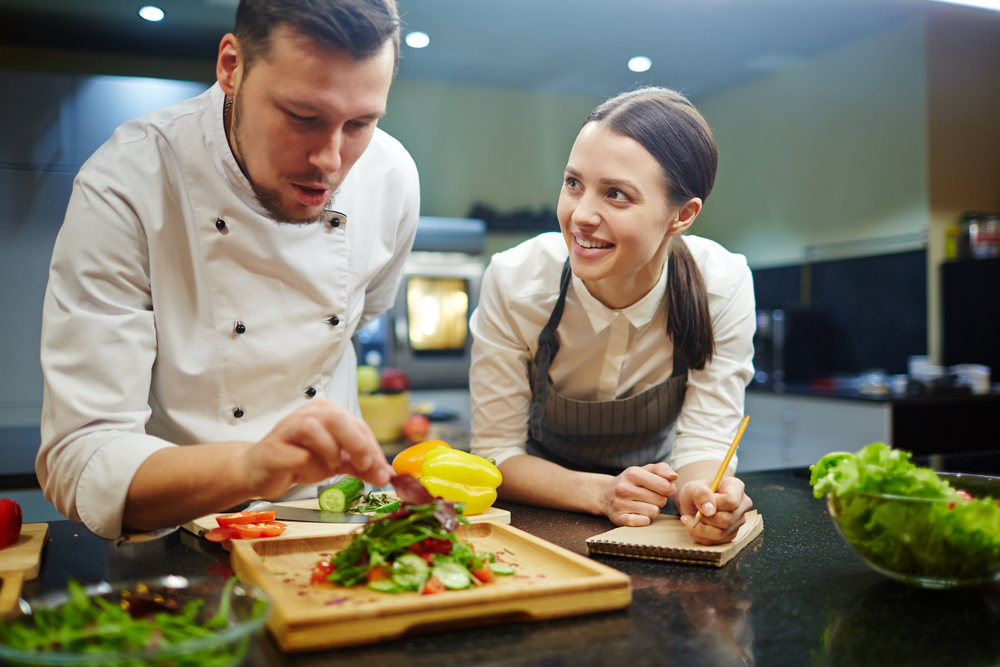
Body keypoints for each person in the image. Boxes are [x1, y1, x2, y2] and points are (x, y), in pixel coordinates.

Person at [37, 0, 415, 540]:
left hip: (334, 520)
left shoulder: (392, 177)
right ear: (232, 66)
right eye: (303, 117)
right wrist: (249, 467)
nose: (330, 161)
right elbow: (81, 456)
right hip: (178, 528)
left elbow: (362, 315)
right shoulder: (128, 181)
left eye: (360, 123)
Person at [469, 88, 755, 545]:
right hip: (536, 523)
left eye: (616, 194)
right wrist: (602, 493)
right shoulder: (515, 281)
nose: (580, 215)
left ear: (682, 214)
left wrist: (704, 492)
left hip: (652, 523)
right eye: (573, 183)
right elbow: (495, 454)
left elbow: (703, 444)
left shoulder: (722, 285)